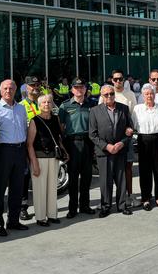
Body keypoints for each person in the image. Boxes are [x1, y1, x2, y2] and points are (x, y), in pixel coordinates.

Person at [0, 80, 29, 237]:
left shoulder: (21, 108)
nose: (8, 90)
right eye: (5, 88)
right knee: (0, 190)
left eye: (11, 88)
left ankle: (13, 221)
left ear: (16, 90)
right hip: (3, 152)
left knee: (17, 189)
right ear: (0, 91)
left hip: (20, 150)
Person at [89, 85, 134, 218]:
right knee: (105, 180)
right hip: (104, 152)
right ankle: (106, 206)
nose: (109, 96)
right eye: (106, 94)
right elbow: (92, 134)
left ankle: (122, 205)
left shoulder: (123, 108)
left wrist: (122, 143)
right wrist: (107, 146)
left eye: (111, 93)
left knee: (121, 180)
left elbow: (130, 129)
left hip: (120, 150)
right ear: (101, 96)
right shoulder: (94, 111)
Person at [59, 78, 97, 218]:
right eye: (76, 87)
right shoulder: (65, 106)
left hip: (88, 143)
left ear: (85, 89)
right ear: (72, 90)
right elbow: (61, 128)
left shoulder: (92, 104)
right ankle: (73, 208)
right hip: (72, 144)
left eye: (81, 87)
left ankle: (85, 205)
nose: (79, 90)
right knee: (73, 178)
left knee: (87, 177)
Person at [27, 94, 66, 226]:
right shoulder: (34, 120)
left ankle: (52, 215)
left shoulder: (56, 119)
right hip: (39, 158)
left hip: (53, 158)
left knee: (52, 188)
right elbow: (29, 144)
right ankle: (40, 217)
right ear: (39, 105)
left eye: (49, 102)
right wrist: (35, 164)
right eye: (43, 102)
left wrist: (64, 151)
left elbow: (58, 138)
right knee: (40, 189)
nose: (46, 104)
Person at [101, 70, 139, 208]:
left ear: (124, 80)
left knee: (127, 168)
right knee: (109, 171)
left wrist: (131, 130)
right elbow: (100, 113)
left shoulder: (129, 95)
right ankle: (108, 200)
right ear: (112, 80)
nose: (118, 81)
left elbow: (133, 115)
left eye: (120, 79)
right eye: (115, 79)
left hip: (124, 139)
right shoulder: (105, 92)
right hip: (108, 140)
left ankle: (128, 196)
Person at [132, 84, 158, 211]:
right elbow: (133, 127)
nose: (149, 96)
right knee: (144, 172)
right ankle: (146, 198)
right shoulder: (137, 109)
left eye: (151, 93)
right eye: (147, 94)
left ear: (155, 95)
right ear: (143, 96)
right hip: (143, 141)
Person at [19, 75, 42, 221]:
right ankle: (23, 207)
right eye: (32, 86)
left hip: (42, 146)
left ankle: (42, 206)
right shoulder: (20, 107)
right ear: (26, 88)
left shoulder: (43, 103)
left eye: (36, 85)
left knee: (41, 175)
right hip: (26, 146)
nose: (35, 88)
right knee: (25, 177)